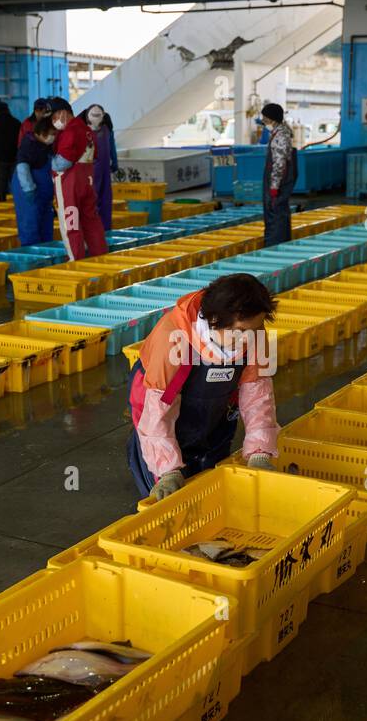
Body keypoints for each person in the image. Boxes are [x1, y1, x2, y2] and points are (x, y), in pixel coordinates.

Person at [127, 273, 280, 499]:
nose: (252, 338)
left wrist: (260, 452)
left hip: (215, 409)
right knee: (168, 493)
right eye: (242, 332)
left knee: (210, 483)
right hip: (158, 407)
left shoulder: (253, 333)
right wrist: (168, 471)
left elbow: (258, 395)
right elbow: (158, 413)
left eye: (256, 328)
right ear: (215, 320)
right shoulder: (173, 339)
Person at [49, 97, 108, 259]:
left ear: (63, 113)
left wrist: (50, 163)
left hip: (69, 184)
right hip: (87, 181)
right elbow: (94, 156)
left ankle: (77, 264)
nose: (55, 122)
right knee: (91, 222)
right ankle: (101, 260)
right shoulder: (87, 130)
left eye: (55, 117)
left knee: (71, 225)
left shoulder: (70, 131)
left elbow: (63, 162)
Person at [12, 121, 57, 245]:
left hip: (44, 198)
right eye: (52, 134)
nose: (53, 137)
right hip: (30, 194)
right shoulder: (29, 145)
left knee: (46, 229)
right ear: (42, 133)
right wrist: (29, 189)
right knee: (30, 227)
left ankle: (47, 260)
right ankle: (33, 261)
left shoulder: (44, 145)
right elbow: (22, 168)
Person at [261, 102, 297, 247]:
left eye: (265, 118)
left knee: (276, 216)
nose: (263, 121)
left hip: (278, 184)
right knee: (277, 215)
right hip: (277, 182)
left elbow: (279, 163)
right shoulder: (277, 133)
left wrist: (274, 187)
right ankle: (278, 244)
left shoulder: (280, 136)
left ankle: (275, 246)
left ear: (272, 119)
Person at [80, 105, 117, 229]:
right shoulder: (83, 131)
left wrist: (115, 162)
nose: (96, 118)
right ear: (87, 116)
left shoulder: (107, 130)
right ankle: (92, 230)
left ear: (103, 116)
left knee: (106, 202)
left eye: (98, 115)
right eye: (93, 115)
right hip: (90, 172)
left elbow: (112, 148)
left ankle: (105, 229)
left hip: (105, 171)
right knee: (92, 201)